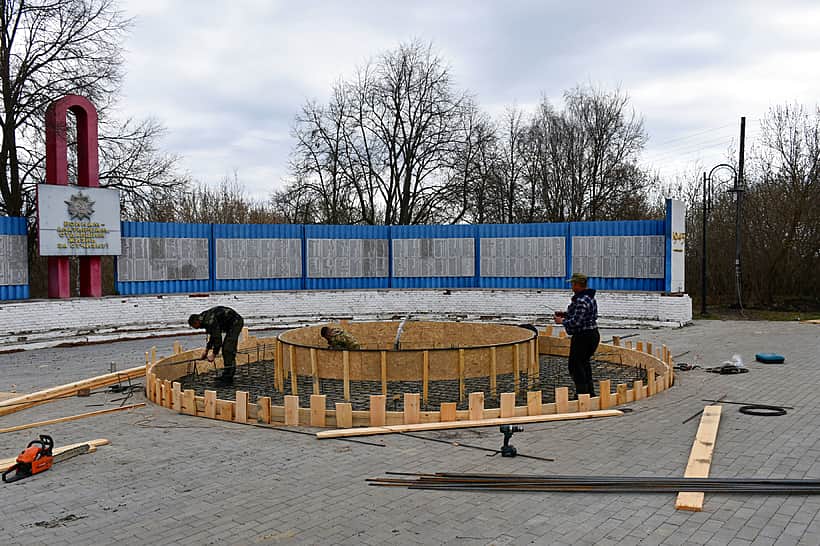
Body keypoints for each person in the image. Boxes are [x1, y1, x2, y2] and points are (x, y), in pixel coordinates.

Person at [554, 273, 599, 398]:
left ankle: (582, 395)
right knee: (584, 363)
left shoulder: (581, 300)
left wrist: (561, 321)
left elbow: (576, 322)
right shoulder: (589, 297)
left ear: (579, 284)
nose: (572, 286)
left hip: (583, 337)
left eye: (573, 284)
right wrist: (565, 314)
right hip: (592, 335)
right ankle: (590, 393)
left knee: (575, 365)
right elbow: (585, 316)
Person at [188, 306, 244, 383]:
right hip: (228, 324)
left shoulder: (209, 321)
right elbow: (213, 336)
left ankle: (228, 377)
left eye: (194, 326)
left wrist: (214, 354)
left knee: (228, 349)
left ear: (196, 322)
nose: (195, 328)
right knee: (226, 348)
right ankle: (227, 374)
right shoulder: (204, 319)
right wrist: (206, 350)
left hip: (236, 322)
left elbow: (218, 339)